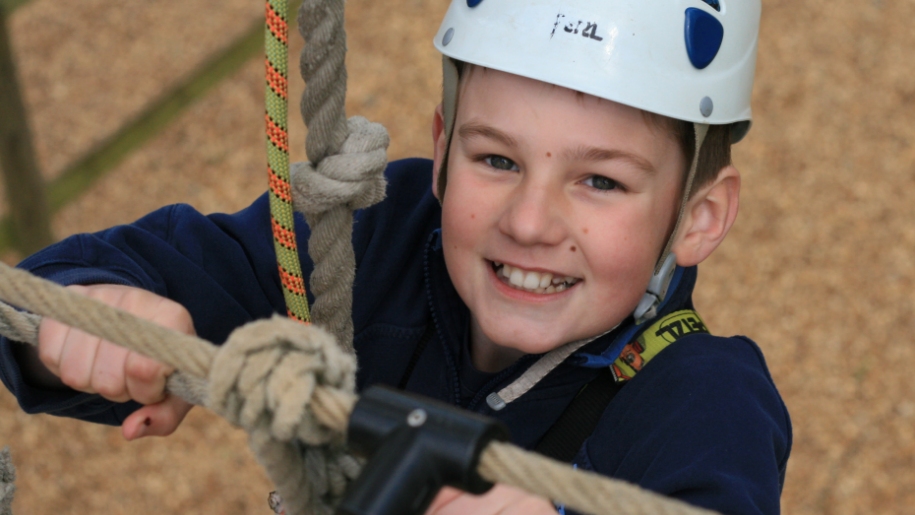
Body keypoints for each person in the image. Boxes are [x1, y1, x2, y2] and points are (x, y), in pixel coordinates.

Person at [0, 0, 791, 513]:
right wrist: (102, 308)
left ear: (699, 215)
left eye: (599, 180)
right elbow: (159, 269)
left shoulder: (706, 400)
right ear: (442, 148)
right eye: (497, 160)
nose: (530, 220)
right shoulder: (383, 234)